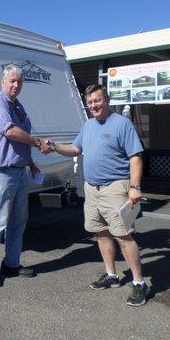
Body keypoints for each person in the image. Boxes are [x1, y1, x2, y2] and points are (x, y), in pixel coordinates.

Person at [44, 84, 149, 306]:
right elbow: (75, 149)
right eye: (90, 102)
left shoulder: (122, 124)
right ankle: (111, 275)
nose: (94, 105)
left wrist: (135, 186)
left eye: (98, 100)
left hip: (115, 188)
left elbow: (136, 157)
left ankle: (139, 283)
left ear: (107, 100)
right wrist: (54, 146)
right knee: (100, 233)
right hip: (93, 189)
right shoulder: (88, 126)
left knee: (123, 235)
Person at [0, 64, 50, 287]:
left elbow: (22, 138)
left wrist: (30, 163)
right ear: (3, 82)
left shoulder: (18, 106)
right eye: (11, 81)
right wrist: (38, 142)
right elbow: (10, 131)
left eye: (19, 82)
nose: (15, 85)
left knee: (18, 222)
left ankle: (11, 263)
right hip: (1, 172)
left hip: (19, 171)